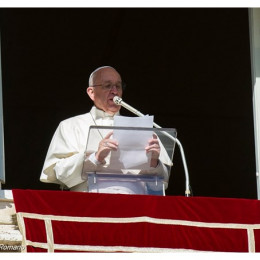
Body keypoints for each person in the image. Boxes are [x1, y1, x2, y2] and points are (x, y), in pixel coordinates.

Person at [40, 66, 171, 194]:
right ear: (91, 92)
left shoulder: (141, 126)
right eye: (107, 86)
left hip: (135, 206)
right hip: (89, 205)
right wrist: (95, 157)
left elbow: (162, 183)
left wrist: (154, 163)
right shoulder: (71, 125)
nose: (115, 91)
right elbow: (60, 174)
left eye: (118, 86)